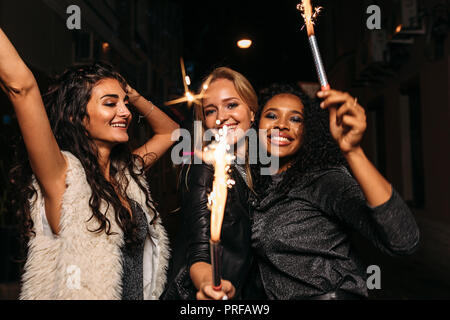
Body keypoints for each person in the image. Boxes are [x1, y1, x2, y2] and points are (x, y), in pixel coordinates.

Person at [0, 28, 179, 299]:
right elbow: (22, 87)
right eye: (110, 103)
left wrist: (129, 91)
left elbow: (171, 132)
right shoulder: (63, 175)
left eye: (126, 104)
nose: (125, 112)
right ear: (75, 116)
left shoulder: (127, 174)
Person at [250, 83, 420, 299]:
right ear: (256, 126)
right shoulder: (257, 183)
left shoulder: (322, 179)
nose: (282, 125)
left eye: (295, 119)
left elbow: (403, 238)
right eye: (272, 115)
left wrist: (353, 151)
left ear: (308, 130)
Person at [162, 67, 265, 300]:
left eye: (231, 105)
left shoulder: (257, 169)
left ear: (252, 111)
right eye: (211, 110)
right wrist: (209, 284)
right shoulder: (204, 167)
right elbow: (198, 250)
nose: (221, 117)